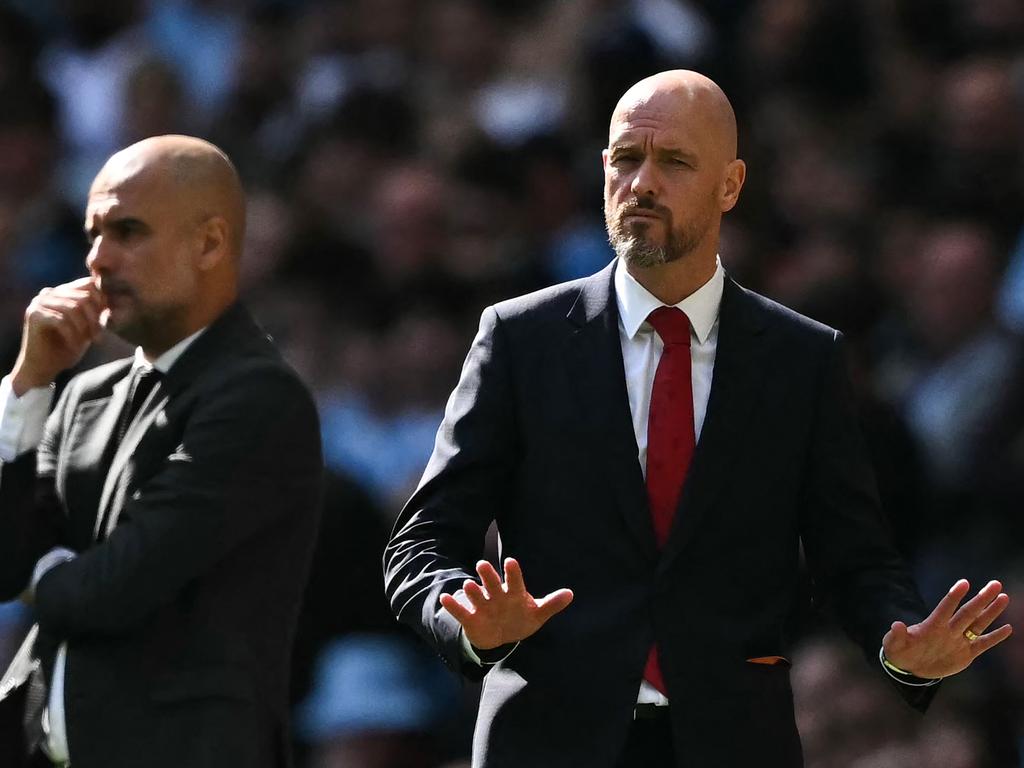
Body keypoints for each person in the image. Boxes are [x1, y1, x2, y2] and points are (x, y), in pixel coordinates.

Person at [383, 71, 1012, 767]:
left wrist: (900, 643)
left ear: (730, 185)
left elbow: (854, 559)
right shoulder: (518, 339)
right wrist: (467, 621)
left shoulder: (803, 359)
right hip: (546, 742)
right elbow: (423, 543)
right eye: (626, 158)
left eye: (674, 161)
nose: (642, 182)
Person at [0, 135, 323, 768]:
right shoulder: (85, 395)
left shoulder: (259, 397)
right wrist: (27, 385)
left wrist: (41, 576)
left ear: (209, 243)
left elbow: (116, 586)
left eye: (128, 231)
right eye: (93, 234)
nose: (98, 259)